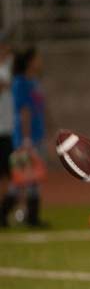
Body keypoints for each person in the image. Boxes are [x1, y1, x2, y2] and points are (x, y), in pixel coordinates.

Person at [6, 46, 47, 227]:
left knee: (31, 178)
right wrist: (26, 138)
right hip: (25, 138)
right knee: (23, 178)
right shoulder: (20, 82)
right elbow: (24, 111)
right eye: (37, 58)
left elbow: (39, 108)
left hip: (35, 136)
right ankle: (25, 216)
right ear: (30, 61)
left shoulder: (34, 81)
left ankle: (32, 217)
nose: (40, 62)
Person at [0, 34, 14, 227]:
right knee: (4, 175)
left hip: (7, 130)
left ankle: (4, 212)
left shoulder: (6, 69)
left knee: (8, 174)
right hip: (1, 131)